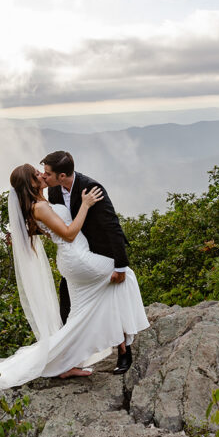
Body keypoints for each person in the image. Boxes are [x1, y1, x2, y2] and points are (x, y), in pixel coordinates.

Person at [0, 163, 149, 393]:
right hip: (78, 258)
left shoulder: (41, 202)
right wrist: (86, 206)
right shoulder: (39, 207)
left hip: (73, 261)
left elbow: (46, 227)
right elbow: (68, 234)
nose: (41, 175)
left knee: (80, 316)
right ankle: (121, 347)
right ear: (30, 183)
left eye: (42, 172)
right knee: (124, 276)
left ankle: (66, 364)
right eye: (36, 174)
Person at [40, 150, 137, 373]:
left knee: (113, 299)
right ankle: (69, 361)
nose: (44, 177)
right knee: (66, 309)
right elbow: (56, 224)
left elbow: (112, 226)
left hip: (99, 255)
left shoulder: (92, 189)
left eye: (47, 174)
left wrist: (120, 265)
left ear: (62, 175)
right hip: (75, 258)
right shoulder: (54, 190)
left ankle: (123, 351)